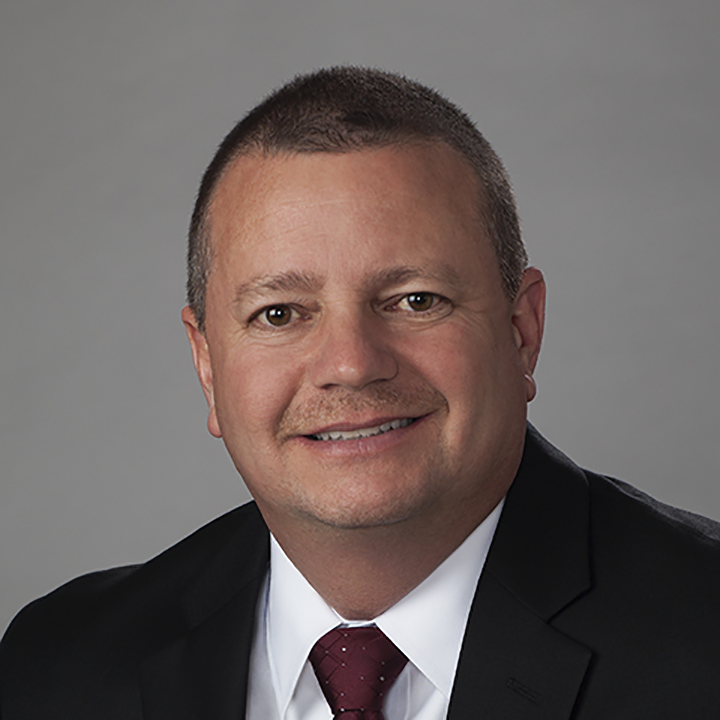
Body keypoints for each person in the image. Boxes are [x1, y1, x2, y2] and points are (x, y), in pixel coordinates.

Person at [1, 66, 719, 720]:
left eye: (415, 300)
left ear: (522, 330)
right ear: (207, 365)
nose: (350, 364)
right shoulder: (57, 666)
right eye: (279, 314)